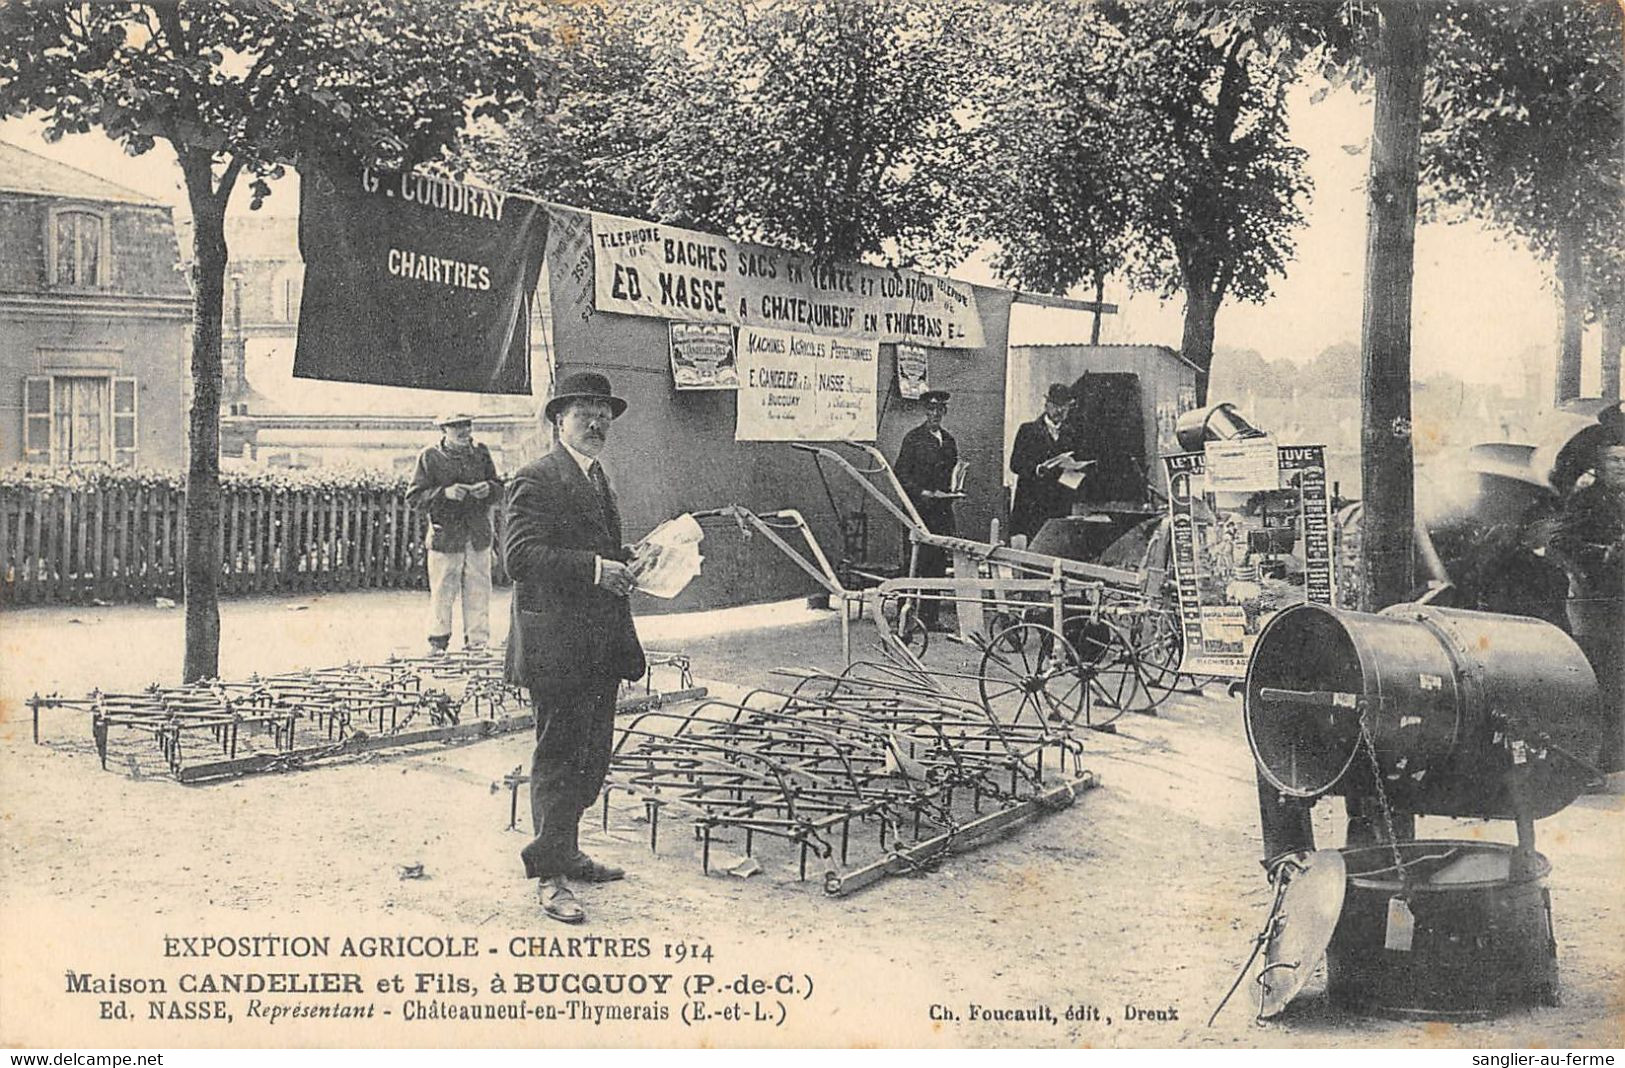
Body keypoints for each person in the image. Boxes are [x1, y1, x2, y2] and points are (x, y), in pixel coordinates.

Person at [503, 371, 657, 925]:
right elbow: (519, 559)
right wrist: (597, 568)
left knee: (591, 757)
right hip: (558, 644)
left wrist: (622, 553)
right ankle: (549, 874)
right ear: (557, 420)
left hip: (599, 642)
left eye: (603, 412)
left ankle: (566, 850)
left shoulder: (596, 476)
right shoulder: (536, 477)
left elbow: (581, 546)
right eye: (582, 412)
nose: (596, 422)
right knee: (558, 757)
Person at [1549, 422, 1624, 773]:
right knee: (1600, 679)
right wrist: (1603, 554)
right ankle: (1591, 761)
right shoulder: (1587, 500)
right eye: (1614, 461)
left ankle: (1613, 757)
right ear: (1599, 466)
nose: (1622, 466)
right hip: (1593, 605)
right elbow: (1558, 544)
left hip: (1618, 603)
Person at [406, 413, 502, 654]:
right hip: (445, 536)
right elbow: (414, 497)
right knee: (442, 589)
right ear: (444, 429)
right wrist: (444, 494)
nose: (463, 430)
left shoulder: (481, 453)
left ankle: (477, 643)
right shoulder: (429, 456)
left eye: (467, 425)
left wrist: (488, 489)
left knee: (479, 588)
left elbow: (499, 488)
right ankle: (438, 642)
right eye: (455, 426)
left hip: (478, 535)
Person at [893, 389, 959, 630]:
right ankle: (904, 616)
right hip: (917, 510)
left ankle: (931, 618)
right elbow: (900, 474)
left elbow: (951, 472)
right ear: (925, 412)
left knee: (937, 564)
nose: (934, 415)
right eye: (930, 410)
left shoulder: (949, 440)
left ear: (944, 412)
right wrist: (922, 493)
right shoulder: (913, 439)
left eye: (939, 410)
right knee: (913, 562)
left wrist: (952, 491)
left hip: (941, 510)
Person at [1009, 383, 1082, 543]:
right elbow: (1015, 464)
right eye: (1056, 405)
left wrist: (1075, 471)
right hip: (1032, 505)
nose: (1060, 411)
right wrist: (1037, 469)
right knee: (1033, 555)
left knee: (1056, 554)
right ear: (1046, 405)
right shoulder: (1028, 430)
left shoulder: (1072, 434)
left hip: (1059, 506)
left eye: (1065, 407)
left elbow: (1075, 468)